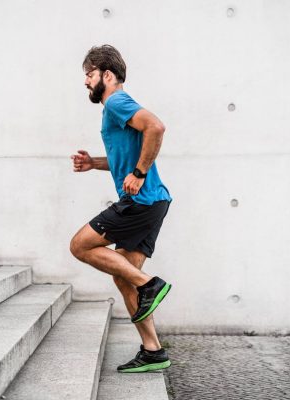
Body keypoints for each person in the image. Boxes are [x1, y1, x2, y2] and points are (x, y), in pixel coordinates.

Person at [69, 44, 173, 373]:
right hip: (154, 202)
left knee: (80, 245)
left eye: (90, 74)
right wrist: (94, 163)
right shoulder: (114, 109)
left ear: (108, 74)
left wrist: (139, 174)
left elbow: (156, 127)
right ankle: (153, 350)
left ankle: (150, 284)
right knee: (123, 277)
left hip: (141, 202)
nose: (85, 81)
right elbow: (125, 155)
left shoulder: (116, 101)